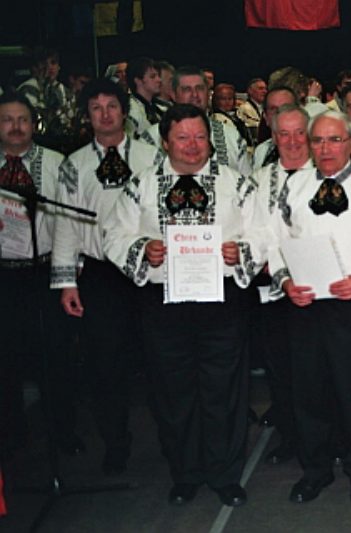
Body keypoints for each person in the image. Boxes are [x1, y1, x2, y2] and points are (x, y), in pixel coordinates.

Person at [103, 103, 268, 507]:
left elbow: (262, 233)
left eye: (200, 137)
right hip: (164, 303)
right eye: (183, 138)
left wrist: (241, 250)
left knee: (224, 390)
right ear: (165, 141)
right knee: (172, 392)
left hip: (222, 301)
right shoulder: (140, 184)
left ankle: (225, 475)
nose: (193, 146)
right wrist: (143, 249)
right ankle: (186, 473)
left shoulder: (238, 184)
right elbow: (112, 234)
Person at [267, 110, 351, 505]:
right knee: (308, 392)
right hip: (305, 305)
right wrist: (285, 281)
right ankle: (316, 470)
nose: (326, 149)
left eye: (335, 140)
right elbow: (275, 241)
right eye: (318, 141)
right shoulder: (294, 187)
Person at [50, 79, 160, 475]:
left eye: (111, 106)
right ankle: (116, 443)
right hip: (100, 275)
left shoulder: (152, 157)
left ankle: (172, 439)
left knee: (159, 360)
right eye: (96, 108)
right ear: (87, 116)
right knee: (104, 366)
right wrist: (67, 282)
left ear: (124, 110)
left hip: (149, 270)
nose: (105, 114)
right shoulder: (74, 165)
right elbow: (63, 224)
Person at [0, 92, 78, 458]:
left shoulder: (56, 163)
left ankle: (63, 433)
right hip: (4, 276)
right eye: (7, 120)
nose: (16, 127)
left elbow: (68, 225)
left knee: (56, 358)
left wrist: (66, 278)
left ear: (35, 124)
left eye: (23, 120)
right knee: (6, 361)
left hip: (43, 272)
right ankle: (13, 435)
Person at [251, 103, 314, 463]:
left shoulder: (325, 175)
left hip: (316, 290)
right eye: (283, 134)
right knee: (282, 371)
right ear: (274, 138)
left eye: (298, 132)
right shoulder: (259, 181)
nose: (291, 141)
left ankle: (328, 439)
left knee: (318, 371)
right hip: (274, 290)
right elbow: (253, 231)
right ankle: (291, 439)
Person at [140, 66, 251, 176]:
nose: (194, 95)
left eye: (200, 88)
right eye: (186, 89)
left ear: (208, 93)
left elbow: (246, 182)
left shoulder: (231, 136)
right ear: (173, 95)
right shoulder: (151, 138)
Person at [252, 86, 297, 169]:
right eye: (273, 109)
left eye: (286, 108)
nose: (280, 114)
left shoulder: (311, 153)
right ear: (266, 117)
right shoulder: (261, 151)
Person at [126, 57, 164, 138]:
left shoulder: (160, 107)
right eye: (153, 76)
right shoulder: (131, 109)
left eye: (158, 76)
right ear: (138, 81)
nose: (159, 80)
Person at [237, 78, 267, 142]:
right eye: (260, 88)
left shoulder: (266, 108)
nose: (265, 91)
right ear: (250, 91)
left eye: (265, 89)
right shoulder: (244, 108)